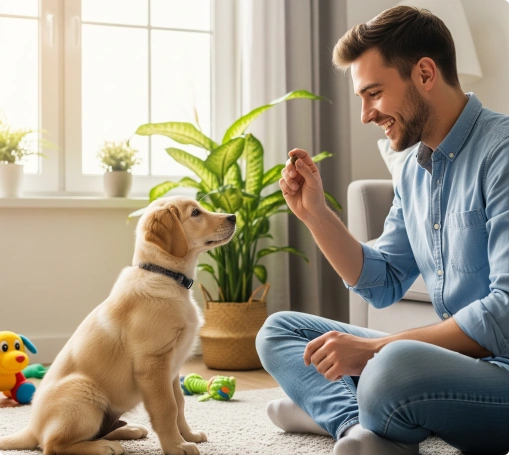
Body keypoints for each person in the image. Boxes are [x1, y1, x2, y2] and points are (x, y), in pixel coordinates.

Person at [255, 5, 509, 455]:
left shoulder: (501, 153)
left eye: (373, 93)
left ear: (425, 73)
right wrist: (314, 213)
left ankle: (331, 408)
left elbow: (504, 314)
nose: (365, 114)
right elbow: (382, 282)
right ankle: (354, 423)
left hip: (501, 369)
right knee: (279, 330)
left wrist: (372, 352)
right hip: (451, 362)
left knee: (392, 365)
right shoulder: (413, 167)